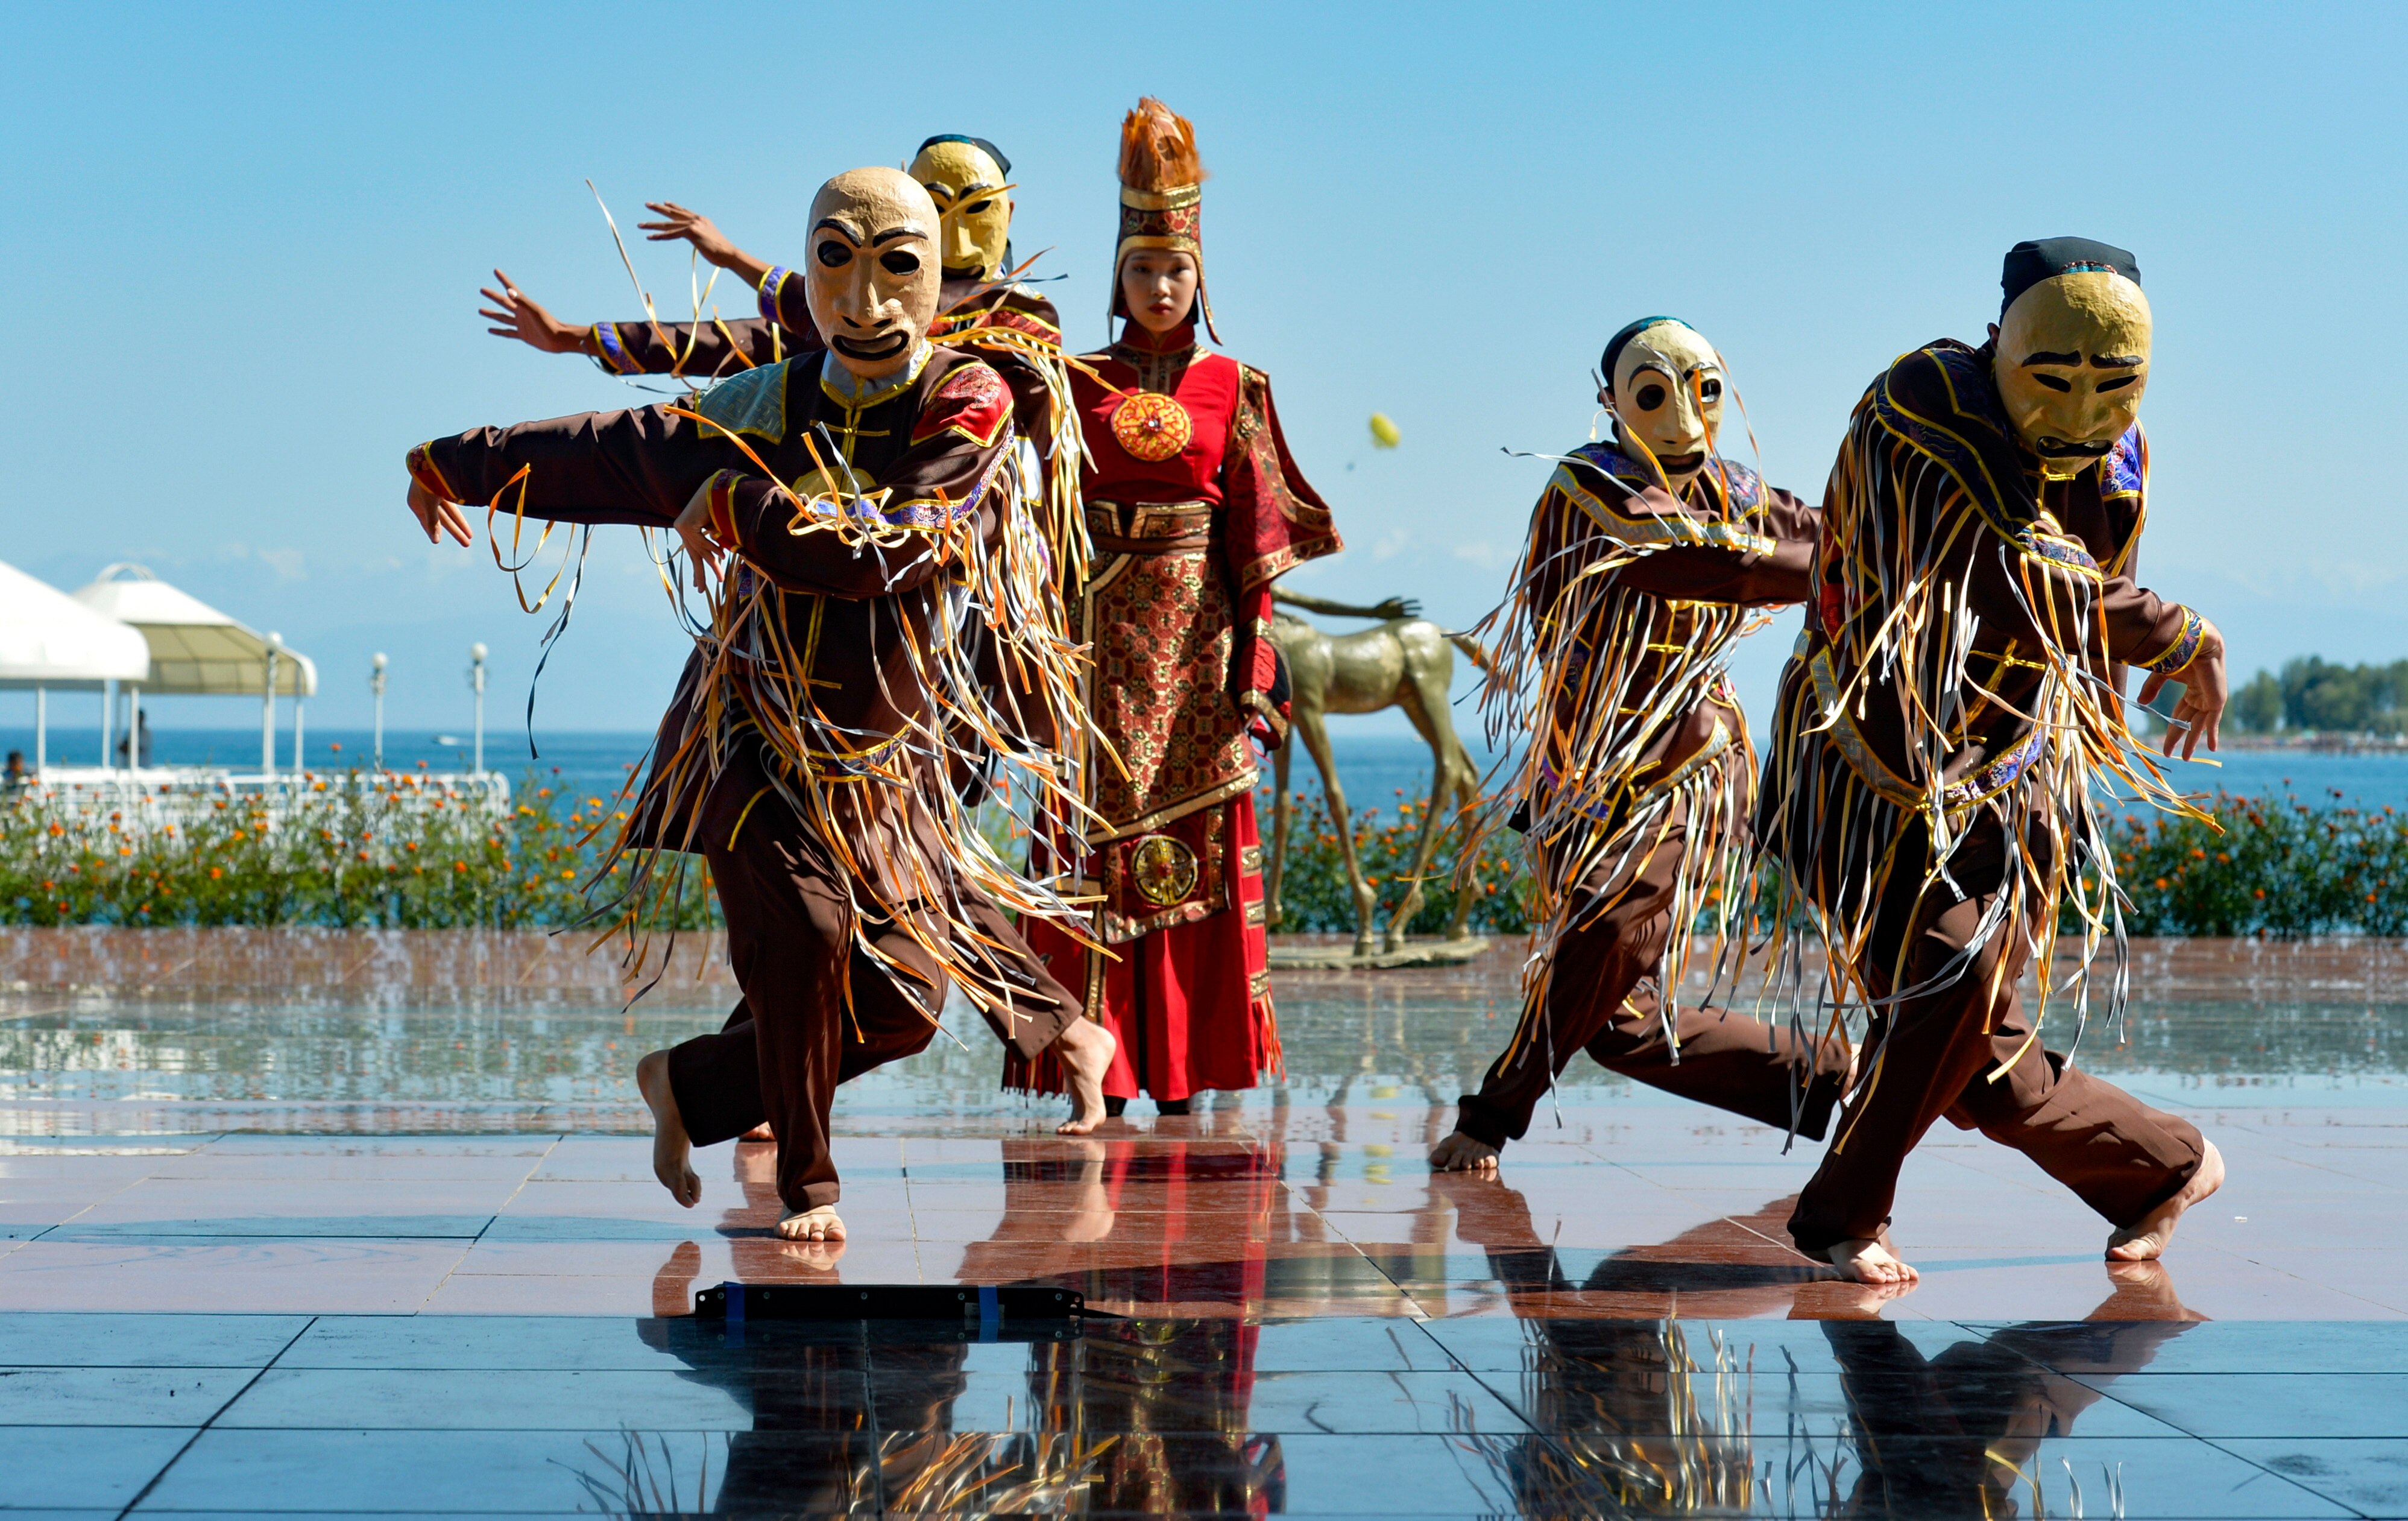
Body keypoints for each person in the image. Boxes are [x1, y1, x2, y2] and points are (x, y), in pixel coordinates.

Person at [402, 167, 1115, 1242]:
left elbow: (894, 548)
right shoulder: (764, 402)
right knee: (807, 939)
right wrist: (447, 463)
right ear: (810, 268)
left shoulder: (969, 401)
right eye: (836, 261)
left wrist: (737, 503)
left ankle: (690, 1088)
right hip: (752, 731)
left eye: (896, 268)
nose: (865, 300)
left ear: (933, 278)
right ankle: (811, 1185)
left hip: (885, 756)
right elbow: (612, 453)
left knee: (903, 1006)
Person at [1755, 237, 2228, 1283]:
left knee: (1955, 998)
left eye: (2116, 381)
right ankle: (2164, 1164)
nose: (2080, 407)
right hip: (1857, 769)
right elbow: (2010, 563)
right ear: (2002, 338)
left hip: (2002, 780)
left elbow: (2083, 607)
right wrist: (2176, 634)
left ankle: (1840, 1214)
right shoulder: (1923, 402)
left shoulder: (2125, 455)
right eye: (2053, 374)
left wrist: (2093, 724)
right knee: (1972, 1046)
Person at [1429, 317, 1853, 1174]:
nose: (1681, 413)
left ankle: (1492, 1111)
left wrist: (1900, 545)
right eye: (1651, 391)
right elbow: (1697, 557)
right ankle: (1831, 1076)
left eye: (1701, 388)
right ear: (1610, 402)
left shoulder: (1737, 488)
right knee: (1618, 1023)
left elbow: (1831, 531)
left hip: (1690, 774)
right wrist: (1847, 568)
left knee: (1613, 933)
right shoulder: (1591, 485)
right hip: (1585, 774)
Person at [1006, 98, 1343, 1116]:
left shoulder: (1237, 384)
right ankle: (1088, 1077)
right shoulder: (1069, 379)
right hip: (1089, 648)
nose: (1161, 286)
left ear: (1202, 277)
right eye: (1144, 269)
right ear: (1119, 275)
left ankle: (1184, 1071)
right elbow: (1039, 514)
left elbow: (1256, 549)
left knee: (1185, 848)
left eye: (1178, 271)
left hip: (1195, 653)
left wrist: (1254, 678)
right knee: (1084, 851)